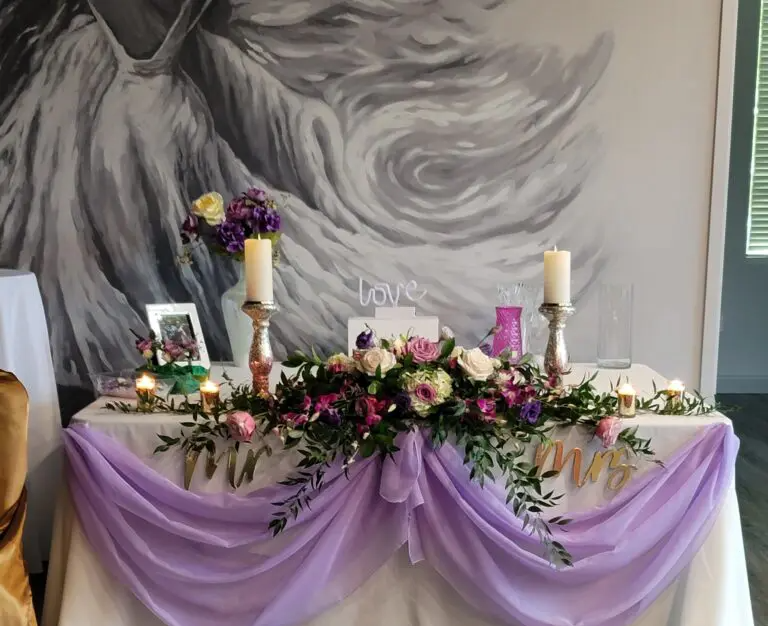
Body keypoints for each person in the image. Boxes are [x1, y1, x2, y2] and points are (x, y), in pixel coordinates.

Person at [0, 0, 612, 382]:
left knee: (156, 236)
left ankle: (192, 359)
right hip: (158, 111)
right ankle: (185, 356)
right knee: (162, 240)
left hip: (143, 114)